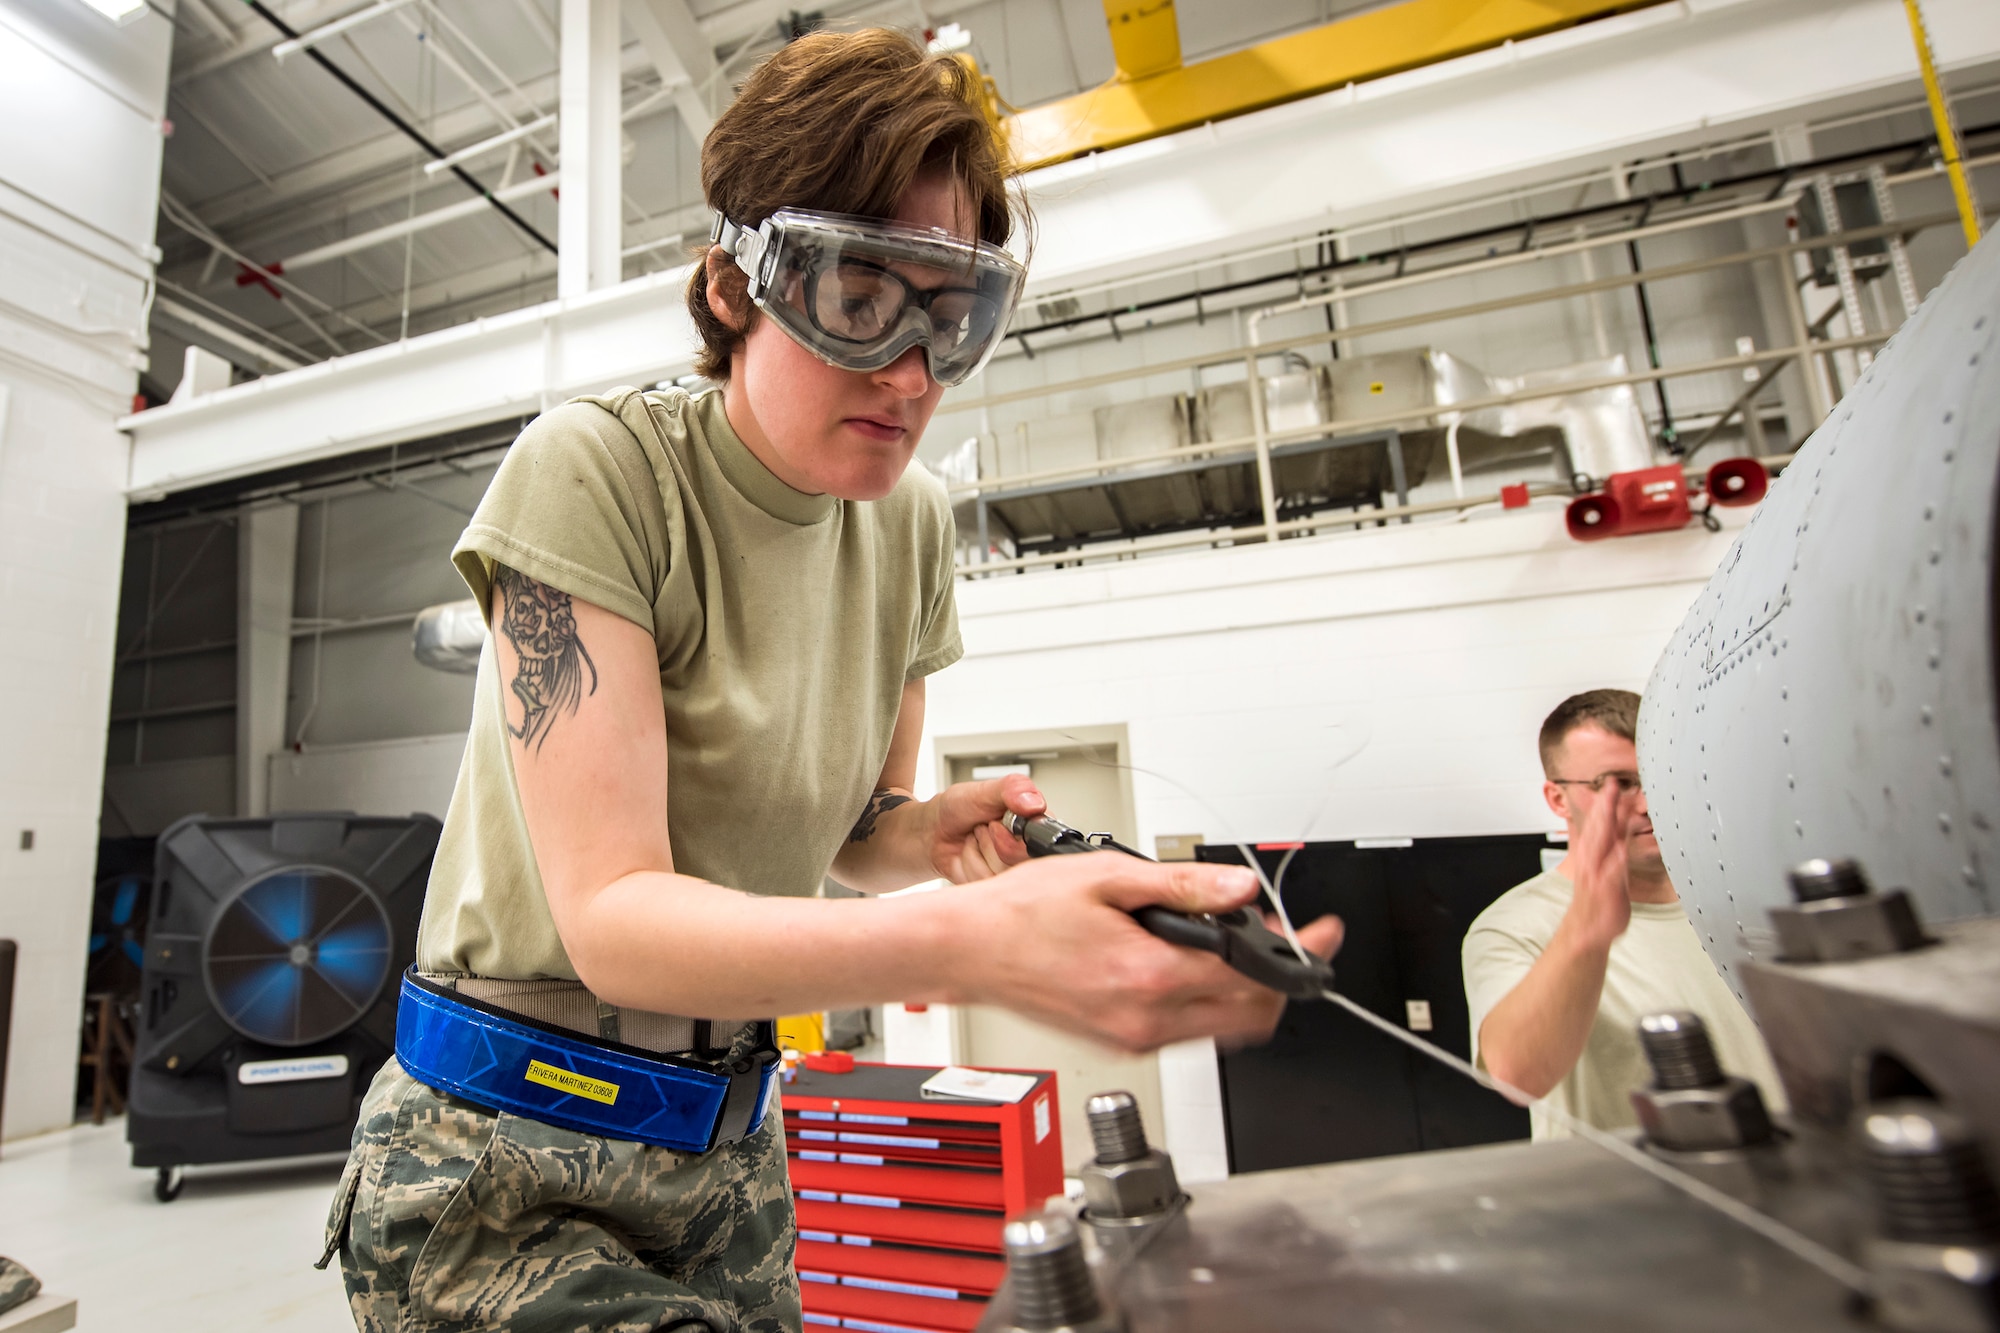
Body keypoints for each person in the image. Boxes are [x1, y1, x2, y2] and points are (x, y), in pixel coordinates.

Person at [319, 29, 1340, 1333]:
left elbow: (853, 835)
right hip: (505, 1159)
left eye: (951, 314)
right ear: (736, 286)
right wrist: (976, 944)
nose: (912, 373)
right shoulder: (597, 472)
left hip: (734, 1153)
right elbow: (614, 920)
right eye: (862, 302)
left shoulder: (909, 526)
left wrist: (923, 837)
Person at [1463, 688, 1782, 1141]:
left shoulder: (1731, 899)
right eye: (1618, 784)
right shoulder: (1515, 927)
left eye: (1656, 778)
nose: (1648, 804)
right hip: (1641, 1204)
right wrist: (1586, 931)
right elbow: (1517, 1076)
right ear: (1557, 799)